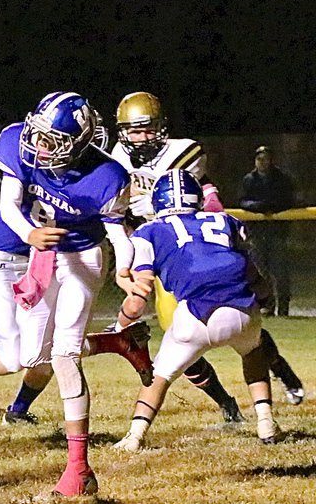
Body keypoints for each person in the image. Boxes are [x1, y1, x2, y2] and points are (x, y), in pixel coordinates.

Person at [0, 91, 139, 496]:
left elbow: (117, 232)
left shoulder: (107, 177)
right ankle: (116, 341)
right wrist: (29, 234)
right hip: (45, 255)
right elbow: (9, 205)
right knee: (31, 357)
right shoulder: (17, 146)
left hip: (83, 259)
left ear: (77, 144)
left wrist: (125, 267)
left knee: (65, 355)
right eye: (37, 135)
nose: (37, 146)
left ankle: (79, 469)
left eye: (50, 141)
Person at [110, 95, 303, 410]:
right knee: (178, 339)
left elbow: (186, 196)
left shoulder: (182, 152)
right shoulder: (119, 157)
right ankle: (226, 404)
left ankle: (280, 369)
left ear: (161, 129)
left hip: (196, 250)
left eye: (149, 129)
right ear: (122, 132)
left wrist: (143, 206)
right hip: (162, 255)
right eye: (135, 131)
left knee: (243, 319)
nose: (143, 137)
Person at [113, 170, 282, 450]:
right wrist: (266, 299)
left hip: (196, 314)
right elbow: (254, 276)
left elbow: (139, 295)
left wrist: (120, 325)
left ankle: (134, 436)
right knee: (253, 352)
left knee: (159, 375)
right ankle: (265, 421)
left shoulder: (148, 232)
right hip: (242, 309)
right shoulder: (225, 220)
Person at [239, 146, 295, 317]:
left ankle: (283, 309)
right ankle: (266, 307)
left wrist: (270, 205)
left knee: (280, 273)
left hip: (277, 231)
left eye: (266, 158)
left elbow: (289, 201)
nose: (262, 162)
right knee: (260, 273)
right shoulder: (249, 179)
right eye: (259, 159)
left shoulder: (282, 178)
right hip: (257, 232)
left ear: (271, 160)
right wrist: (258, 206)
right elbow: (242, 201)